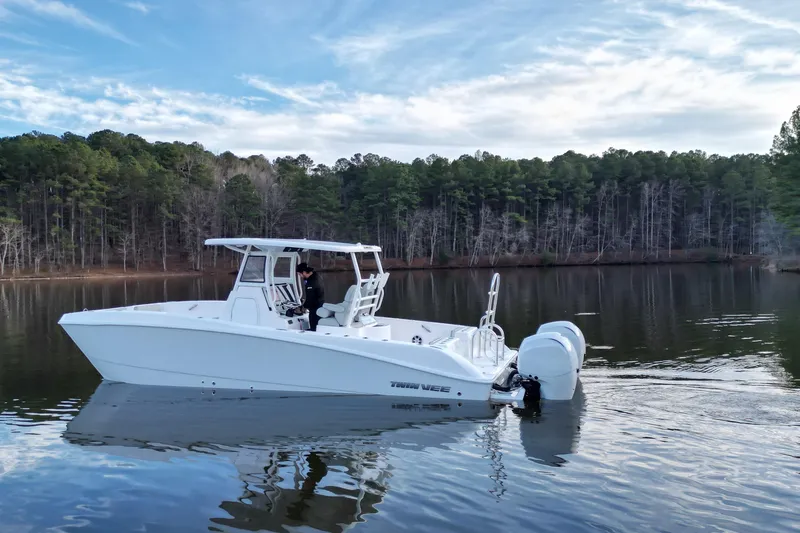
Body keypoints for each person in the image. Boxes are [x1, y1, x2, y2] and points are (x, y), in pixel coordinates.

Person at [296, 262, 325, 331]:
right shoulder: (315, 275)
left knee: (314, 323)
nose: (300, 276)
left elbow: (310, 298)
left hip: (315, 306)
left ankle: (313, 331)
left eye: (300, 274)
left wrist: (302, 308)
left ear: (304, 272)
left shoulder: (312, 282)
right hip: (320, 303)